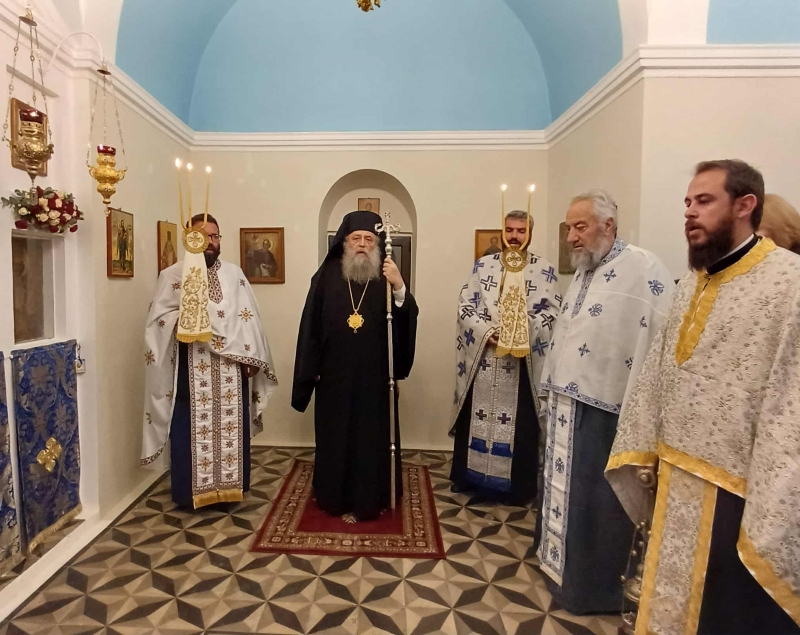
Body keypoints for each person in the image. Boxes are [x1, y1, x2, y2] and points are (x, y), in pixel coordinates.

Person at [606, 160, 800, 635]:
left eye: (704, 201)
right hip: (671, 478)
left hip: (739, 493)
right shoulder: (691, 282)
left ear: (745, 205)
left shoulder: (790, 283)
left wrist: (775, 501)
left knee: (723, 612)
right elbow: (658, 372)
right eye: (688, 202)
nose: (690, 212)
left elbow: (790, 400)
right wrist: (643, 448)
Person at [538, 189, 673, 614]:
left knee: (597, 504)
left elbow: (660, 340)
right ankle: (558, 572)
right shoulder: (583, 271)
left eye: (580, 227)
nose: (572, 237)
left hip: (608, 414)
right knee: (568, 499)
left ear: (608, 225)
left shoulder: (643, 268)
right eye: (569, 228)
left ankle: (591, 590)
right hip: (567, 407)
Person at [141, 213, 278, 508]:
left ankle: (230, 490)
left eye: (215, 236)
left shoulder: (234, 275)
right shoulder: (172, 276)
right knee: (189, 431)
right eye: (204, 237)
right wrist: (187, 319)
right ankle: (189, 495)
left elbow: (250, 320)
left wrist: (252, 357)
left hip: (232, 371)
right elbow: (158, 321)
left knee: (231, 429)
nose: (211, 242)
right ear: (190, 239)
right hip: (190, 368)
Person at [292, 210, 418, 523]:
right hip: (333, 377)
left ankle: (372, 496)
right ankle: (333, 494)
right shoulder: (326, 277)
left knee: (371, 439)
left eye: (368, 239)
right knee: (335, 437)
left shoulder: (386, 275)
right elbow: (310, 326)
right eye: (356, 238)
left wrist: (400, 287)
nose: (362, 244)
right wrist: (310, 369)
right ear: (345, 242)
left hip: (375, 377)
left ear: (377, 243)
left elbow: (407, 317)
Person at [450, 210, 560, 505]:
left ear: (530, 234)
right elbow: (465, 307)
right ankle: (470, 479)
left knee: (519, 424)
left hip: (522, 364)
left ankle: (516, 488)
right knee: (476, 417)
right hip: (484, 359)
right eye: (509, 230)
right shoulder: (483, 266)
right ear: (502, 232)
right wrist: (487, 332)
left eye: (521, 231)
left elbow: (552, 313)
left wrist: (522, 329)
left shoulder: (544, 270)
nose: (514, 236)